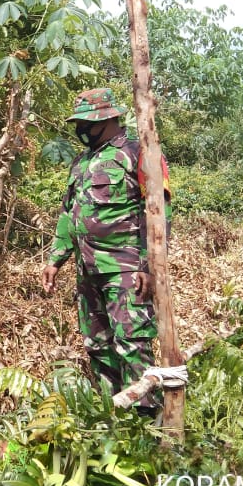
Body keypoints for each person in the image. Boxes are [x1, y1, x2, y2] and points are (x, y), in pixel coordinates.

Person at [40, 87, 169, 415]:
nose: (81, 129)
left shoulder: (138, 154)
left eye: (87, 122)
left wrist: (147, 265)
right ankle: (115, 419)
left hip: (126, 272)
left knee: (132, 346)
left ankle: (148, 427)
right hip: (88, 272)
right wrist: (56, 259)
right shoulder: (81, 162)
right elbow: (70, 214)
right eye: (79, 122)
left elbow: (157, 214)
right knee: (97, 347)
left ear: (109, 118)